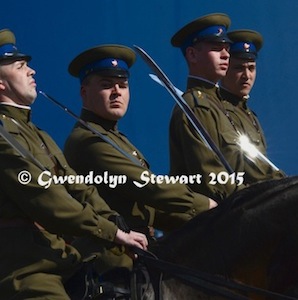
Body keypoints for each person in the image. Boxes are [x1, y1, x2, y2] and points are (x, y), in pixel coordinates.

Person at [0, 29, 147, 300]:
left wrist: (113, 220)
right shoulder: (3, 136)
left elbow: (78, 187)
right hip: (28, 269)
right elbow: (46, 198)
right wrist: (111, 232)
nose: (31, 71)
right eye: (21, 66)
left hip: (64, 258)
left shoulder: (38, 134)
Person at [64, 44, 217, 241]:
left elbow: (151, 209)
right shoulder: (87, 141)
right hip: (114, 257)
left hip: (142, 248)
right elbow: (147, 186)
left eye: (123, 85)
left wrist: (202, 219)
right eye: (106, 84)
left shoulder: (116, 138)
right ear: (84, 92)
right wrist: (204, 205)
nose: (117, 92)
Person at [168, 13, 282, 202]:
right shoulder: (196, 106)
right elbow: (212, 179)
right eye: (216, 48)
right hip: (218, 221)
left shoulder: (221, 106)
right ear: (192, 54)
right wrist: (261, 199)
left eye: (226, 48)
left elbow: (252, 168)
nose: (225, 55)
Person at [220, 29, 285, 179]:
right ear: (225, 68)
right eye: (239, 68)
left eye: (251, 68)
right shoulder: (217, 109)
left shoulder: (250, 116)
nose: (246, 76)